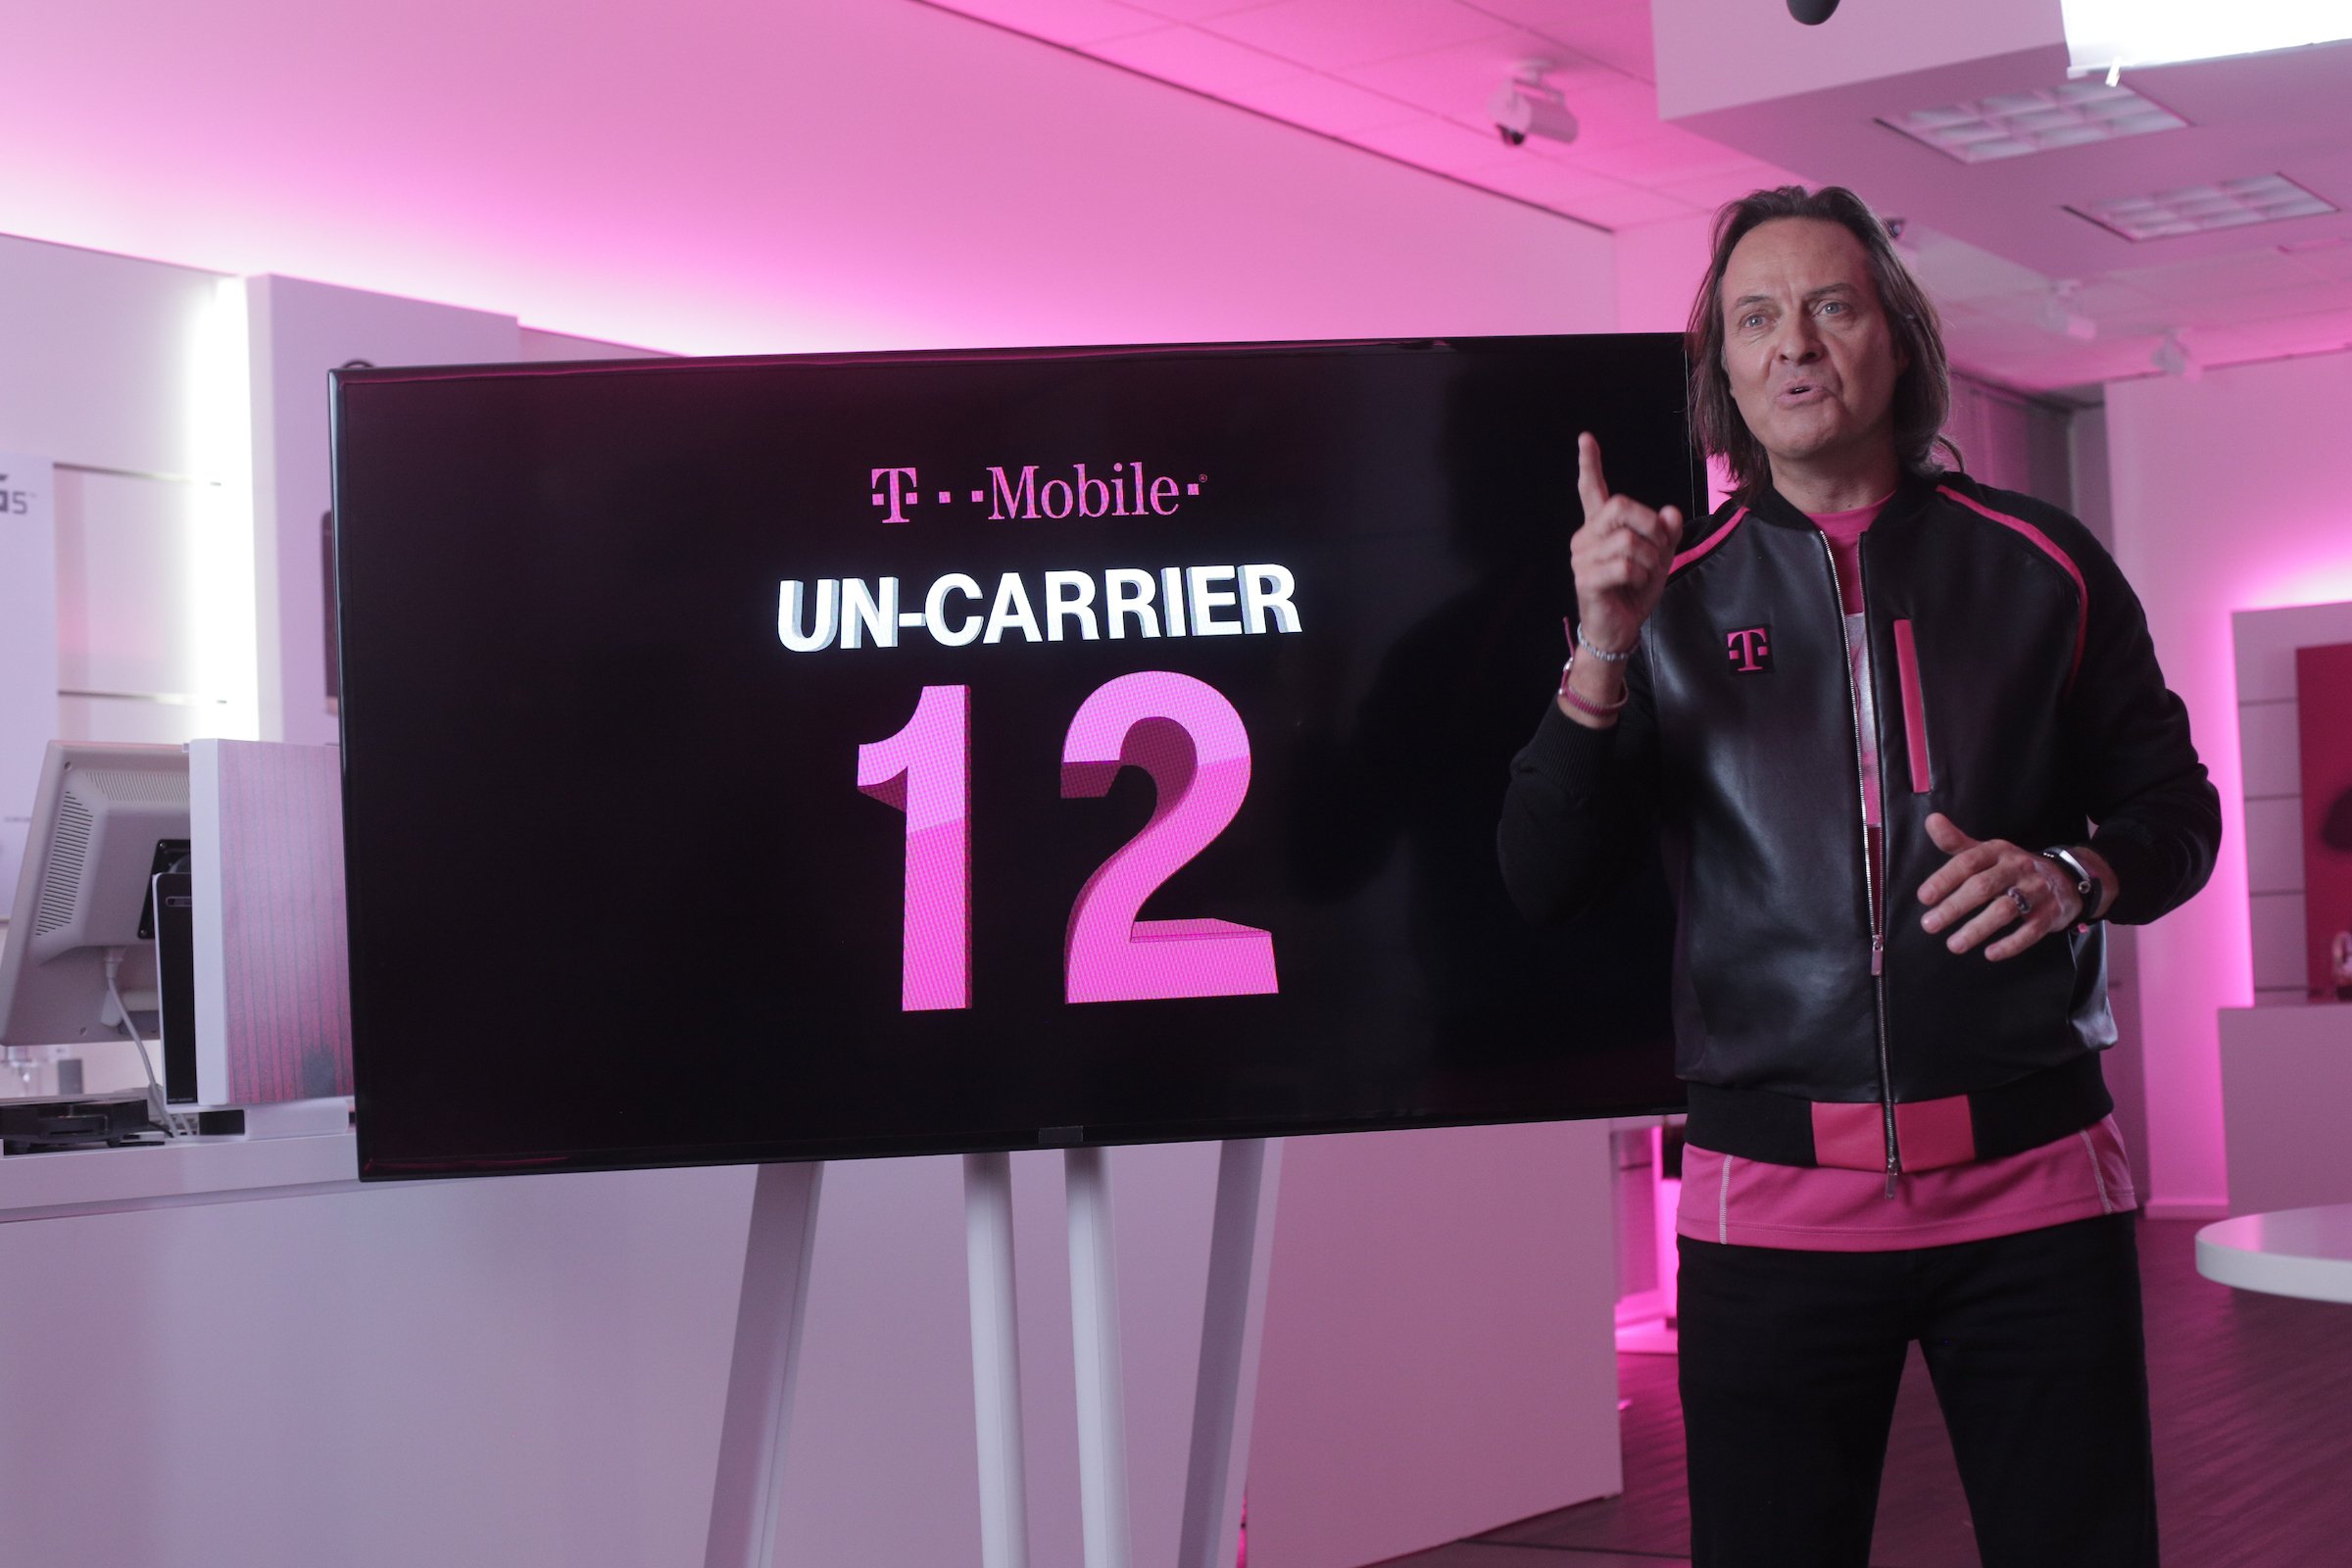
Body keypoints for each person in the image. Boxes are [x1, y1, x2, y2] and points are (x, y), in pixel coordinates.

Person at [1498, 185, 2221, 1567]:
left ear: (1895, 338)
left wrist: (2074, 873)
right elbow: (1541, 877)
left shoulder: (2048, 568)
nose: (1795, 346)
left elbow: (2174, 812)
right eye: (1755, 318)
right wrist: (1599, 646)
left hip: (2037, 1193)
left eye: (1830, 306)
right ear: (1724, 371)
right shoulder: (1667, 595)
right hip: (1767, 1214)